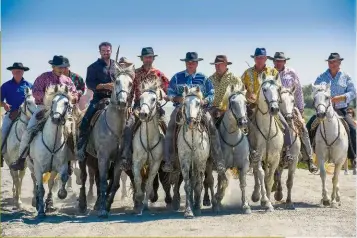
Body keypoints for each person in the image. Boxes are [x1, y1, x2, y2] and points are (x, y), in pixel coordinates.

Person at [161, 52, 226, 176]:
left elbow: (211, 93)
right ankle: (169, 160)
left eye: (193, 62)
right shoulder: (177, 77)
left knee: (212, 128)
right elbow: (169, 92)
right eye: (188, 62)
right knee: (170, 127)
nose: (190, 64)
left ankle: (219, 160)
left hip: (200, 110)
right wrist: (176, 98)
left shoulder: (204, 78)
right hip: (181, 109)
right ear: (186, 63)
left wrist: (205, 100)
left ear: (197, 63)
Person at [10, 55, 79, 171]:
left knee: (72, 132)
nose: (61, 69)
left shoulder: (67, 80)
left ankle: (70, 160)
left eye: (63, 67)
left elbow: (75, 93)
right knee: (29, 130)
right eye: (59, 67)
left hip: (62, 110)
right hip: (43, 108)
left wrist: (74, 98)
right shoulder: (43, 77)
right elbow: (35, 91)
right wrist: (48, 99)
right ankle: (21, 159)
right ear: (53, 66)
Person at [268, 52, 318, 173]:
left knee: (303, 128)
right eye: (276, 60)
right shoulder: (270, 73)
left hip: (291, 107)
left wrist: (300, 109)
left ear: (285, 62)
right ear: (273, 61)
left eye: (281, 60)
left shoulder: (292, 73)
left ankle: (309, 159)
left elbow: (299, 91)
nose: (278, 62)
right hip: (276, 107)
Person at [120, 47, 169, 168]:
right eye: (146, 57)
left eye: (150, 57)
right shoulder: (135, 73)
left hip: (154, 106)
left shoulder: (159, 74)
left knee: (167, 126)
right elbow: (130, 92)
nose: (148, 59)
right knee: (128, 127)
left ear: (153, 58)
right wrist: (129, 105)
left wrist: (166, 95)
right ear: (142, 59)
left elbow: (168, 89)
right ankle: (126, 156)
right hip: (138, 106)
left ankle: (168, 159)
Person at [241, 48, 293, 161]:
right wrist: (248, 94)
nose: (260, 60)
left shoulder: (273, 72)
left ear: (265, 59)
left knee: (285, 125)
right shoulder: (247, 73)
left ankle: (287, 150)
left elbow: (279, 88)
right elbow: (241, 89)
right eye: (257, 58)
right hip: (251, 107)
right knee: (242, 126)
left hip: (270, 106)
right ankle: (247, 151)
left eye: (262, 58)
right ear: (254, 58)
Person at [306, 53, 356, 164]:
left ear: (339, 63)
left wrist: (341, 98)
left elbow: (353, 93)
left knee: (352, 129)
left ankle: (353, 157)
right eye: (330, 62)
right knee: (308, 126)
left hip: (341, 110)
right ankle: (307, 155)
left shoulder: (346, 76)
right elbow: (314, 91)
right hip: (323, 110)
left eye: (334, 62)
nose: (332, 64)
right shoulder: (321, 77)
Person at [77, 42, 117, 160]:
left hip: (115, 99)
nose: (106, 52)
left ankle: (127, 151)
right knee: (85, 120)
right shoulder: (92, 67)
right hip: (99, 99)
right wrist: (106, 86)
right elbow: (90, 84)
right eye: (103, 51)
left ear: (111, 51)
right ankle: (81, 146)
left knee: (129, 121)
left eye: (108, 50)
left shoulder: (117, 66)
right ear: (100, 52)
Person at [1, 63, 32, 167]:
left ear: (23, 72)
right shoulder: (5, 85)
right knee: (3, 132)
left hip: (27, 116)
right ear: (12, 72)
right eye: (16, 71)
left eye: (20, 71)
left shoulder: (29, 85)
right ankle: (1, 154)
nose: (18, 72)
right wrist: (4, 104)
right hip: (11, 114)